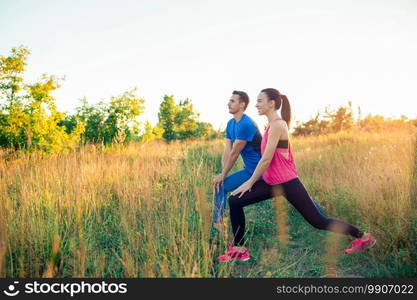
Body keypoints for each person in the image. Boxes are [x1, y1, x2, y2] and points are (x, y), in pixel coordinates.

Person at [217, 88, 376, 262]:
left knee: (318, 221)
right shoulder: (270, 126)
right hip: (272, 182)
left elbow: (266, 160)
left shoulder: (278, 125)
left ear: (271, 103)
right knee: (235, 200)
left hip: (287, 182)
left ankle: (363, 236)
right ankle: (240, 250)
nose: (256, 104)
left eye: (260, 101)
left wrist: (249, 183)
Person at [211, 90, 325, 242]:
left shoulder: (247, 124)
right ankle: (218, 228)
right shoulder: (231, 124)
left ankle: (321, 216)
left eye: (232, 101)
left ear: (242, 104)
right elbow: (227, 150)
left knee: (303, 201)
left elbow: (235, 154)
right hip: (251, 171)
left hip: (263, 171)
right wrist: (222, 172)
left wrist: (225, 175)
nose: (228, 103)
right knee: (224, 189)